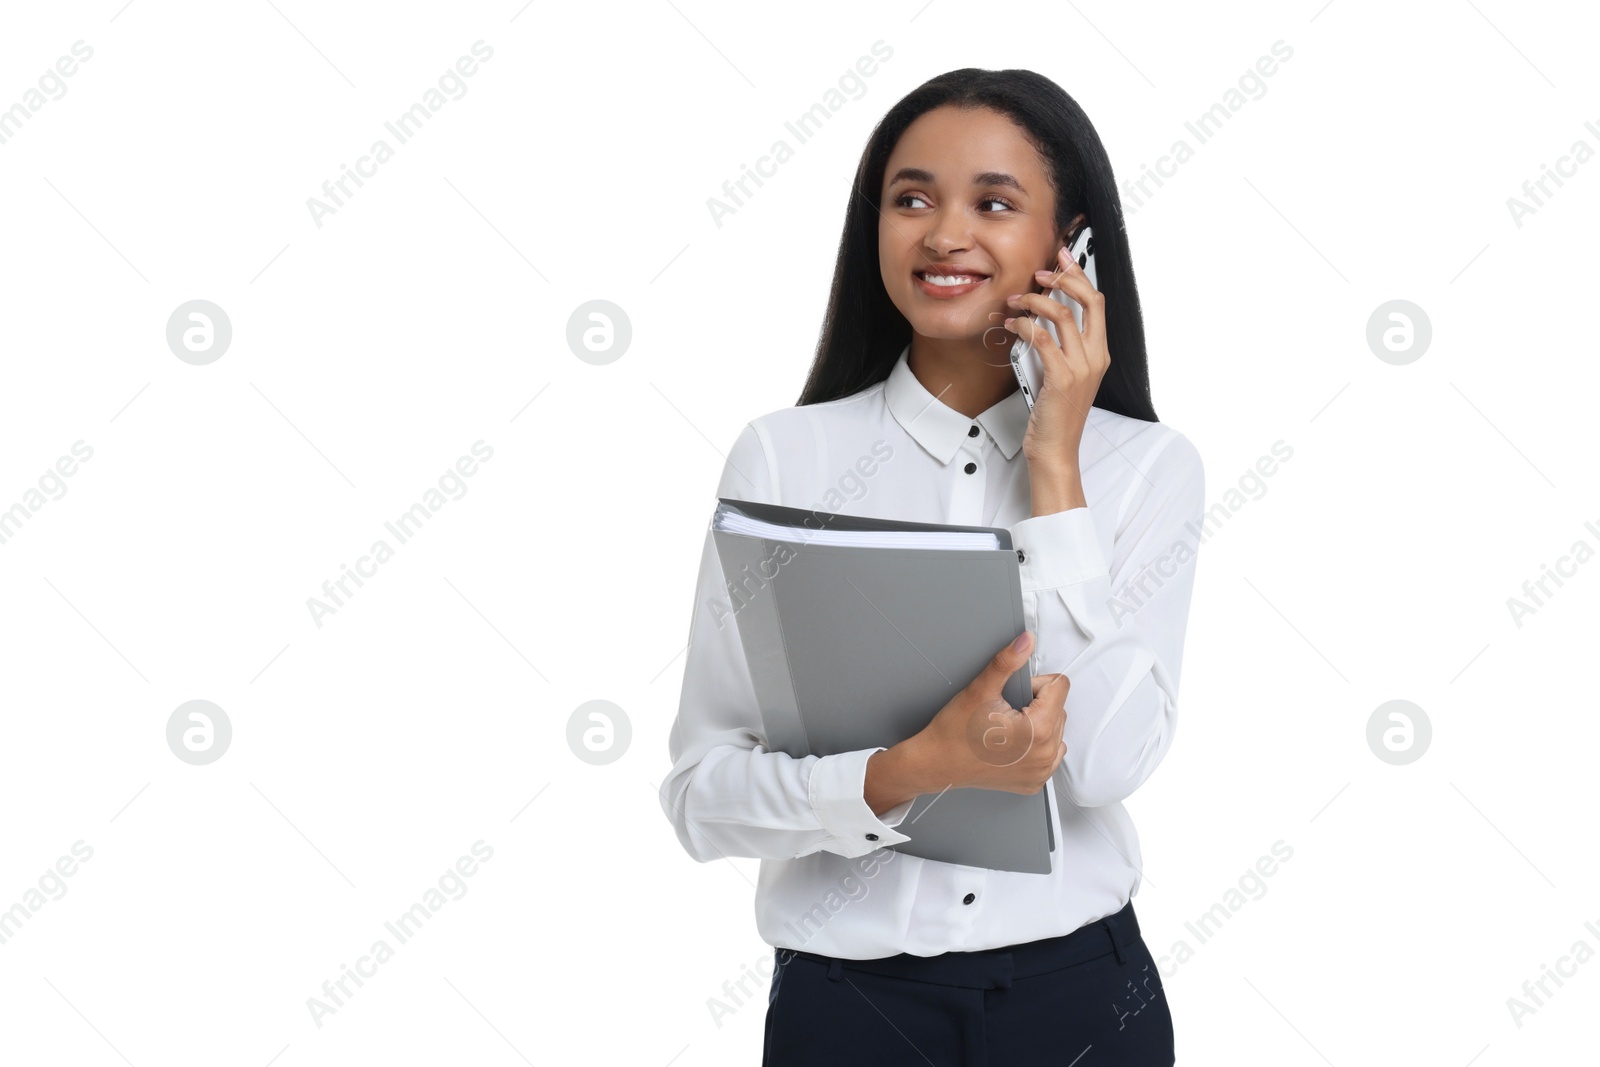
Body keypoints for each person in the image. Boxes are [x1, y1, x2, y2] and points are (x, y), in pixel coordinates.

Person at [659, 67, 1203, 1066]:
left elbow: (1112, 761)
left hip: (1080, 1002)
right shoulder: (787, 457)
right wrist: (910, 772)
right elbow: (702, 796)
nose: (944, 233)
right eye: (911, 198)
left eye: (993, 202)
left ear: (1069, 243)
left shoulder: (1143, 468)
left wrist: (1055, 469)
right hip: (848, 1011)